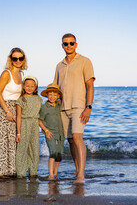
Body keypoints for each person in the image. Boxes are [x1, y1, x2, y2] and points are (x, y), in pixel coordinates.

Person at [54, 33, 95, 184]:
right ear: (62, 46)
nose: (69, 46)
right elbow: (56, 89)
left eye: (71, 43)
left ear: (76, 44)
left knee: (78, 138)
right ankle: (78, 169)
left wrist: (88, 107)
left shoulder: (85, 61)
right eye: (66, 43)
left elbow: (90, 86)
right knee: (70, 140)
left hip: (79, 106)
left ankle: (81, 175)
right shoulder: (59, 65)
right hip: (63, 108)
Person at [0, 47, 27, 177]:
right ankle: (0, 172)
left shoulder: (22, 74)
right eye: (15, 58)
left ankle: (13, 170)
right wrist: (7, 111)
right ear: (11, 60)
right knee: (3, 141)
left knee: (15, 140)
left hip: (18, 109)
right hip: (6, 110)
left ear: (23, 59)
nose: (18, 61)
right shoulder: (6, 73)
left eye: (20, 58)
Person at [15, 75, 43, 178]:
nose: (29, 88)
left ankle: (33, 172)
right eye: (27, 86)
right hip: (24, 124)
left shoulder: (38, 99)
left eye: (32, 86)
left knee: (34, 149)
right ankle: (21, 174)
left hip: (35, 124)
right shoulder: (21, 99)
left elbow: (41, 115)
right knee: (22, 150)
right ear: (23, 86)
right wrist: (18, 132)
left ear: (36, 87)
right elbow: (18, 117)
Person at [38, 83, 65, 180]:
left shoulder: (59, 105)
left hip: (61, 134)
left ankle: (55, 173)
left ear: (58, 96)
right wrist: (46, 131)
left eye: (55, 95)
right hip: (50, 133)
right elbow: (39, 120)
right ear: (46, 95)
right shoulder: (44, 107)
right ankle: (50, 174)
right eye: (50, 94)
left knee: (58, 154)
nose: (52, 97)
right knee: (53, 153)